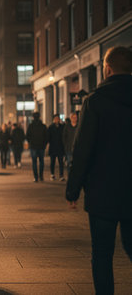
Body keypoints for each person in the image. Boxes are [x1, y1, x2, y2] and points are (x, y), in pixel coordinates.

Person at [66, 46, 132, 295]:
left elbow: (82, 149)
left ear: (107, 68)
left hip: (103, 191)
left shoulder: (95, 101)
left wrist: (72, 190)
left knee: (102, 254)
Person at [26, 112, 47, 182]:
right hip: (41, 146)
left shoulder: (31, 126)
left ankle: (36, 177)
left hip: (33, 146)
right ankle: (41, 176)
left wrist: (30, 142)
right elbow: (46, 136)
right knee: (41, 161)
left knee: (34, 162)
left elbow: (27, 136)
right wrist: (44, 144)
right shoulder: (43, 126)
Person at [47, 114, 65, 181]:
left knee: (61, 162)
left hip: (60, 147)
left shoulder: (62, 127)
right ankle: (52, 174)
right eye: (56, 118)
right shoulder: (50, 127)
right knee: (52, 162)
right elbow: (48, 137)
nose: (57, 120)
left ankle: (61, 175)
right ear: (54, 119)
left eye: (58, 118)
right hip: (53, 147)